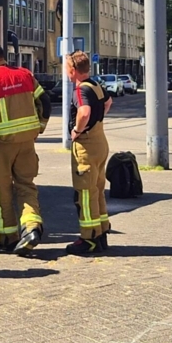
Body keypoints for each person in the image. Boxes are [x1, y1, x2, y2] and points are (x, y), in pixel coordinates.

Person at [0, 42, 51, 254]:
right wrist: (40, 128)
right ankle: (32, 227)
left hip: (0, 147)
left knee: (1, 192)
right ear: (3, 57)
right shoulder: (25, 75)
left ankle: (6, 237)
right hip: (26, 144)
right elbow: (45, 101)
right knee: (26, 186)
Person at [65, 51, 113, 255]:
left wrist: (77, 130)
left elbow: (84, 112)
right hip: (100, 142)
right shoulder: (96, 84)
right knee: (98, 189)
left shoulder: (80, 90)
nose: (66, 72)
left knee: (85, 192)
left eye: (66, 68)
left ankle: (88, 238)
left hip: (86, 146)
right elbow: (108, 103)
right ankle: (101, 232)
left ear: (73, 70)